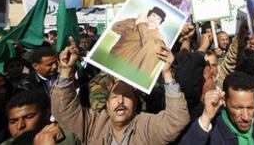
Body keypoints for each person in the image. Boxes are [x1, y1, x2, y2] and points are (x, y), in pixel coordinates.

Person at [51, 38, 190, 144]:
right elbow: (64, 111)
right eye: (114, 96)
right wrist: (66, 71)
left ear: (136, 103)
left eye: (127, 96)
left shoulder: (146, 126)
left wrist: (166, 73)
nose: (120, 101)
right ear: (106, 105)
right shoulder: (94, 126)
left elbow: (176, 120)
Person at [180, 71, 254, 145]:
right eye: (238, 108)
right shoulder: (213, 132)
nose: (246, 117)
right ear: (224, 100)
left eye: (250, 107)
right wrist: (206, 118)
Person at [1, 90, 79, 145]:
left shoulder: (74, 136)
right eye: (13, 121)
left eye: (29, 117)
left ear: (46, 114)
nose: (20, 126)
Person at [110, 7, 168, 75]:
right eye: (153, 15)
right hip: (111, 61)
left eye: (158, 18)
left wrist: (142, 24)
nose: (154, 19)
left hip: (126, 72)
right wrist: (134, 22)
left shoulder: (158, 38)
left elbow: (147, 45)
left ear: (160, 22)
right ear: (148, 15)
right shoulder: (136, 23)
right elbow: (115, 27)